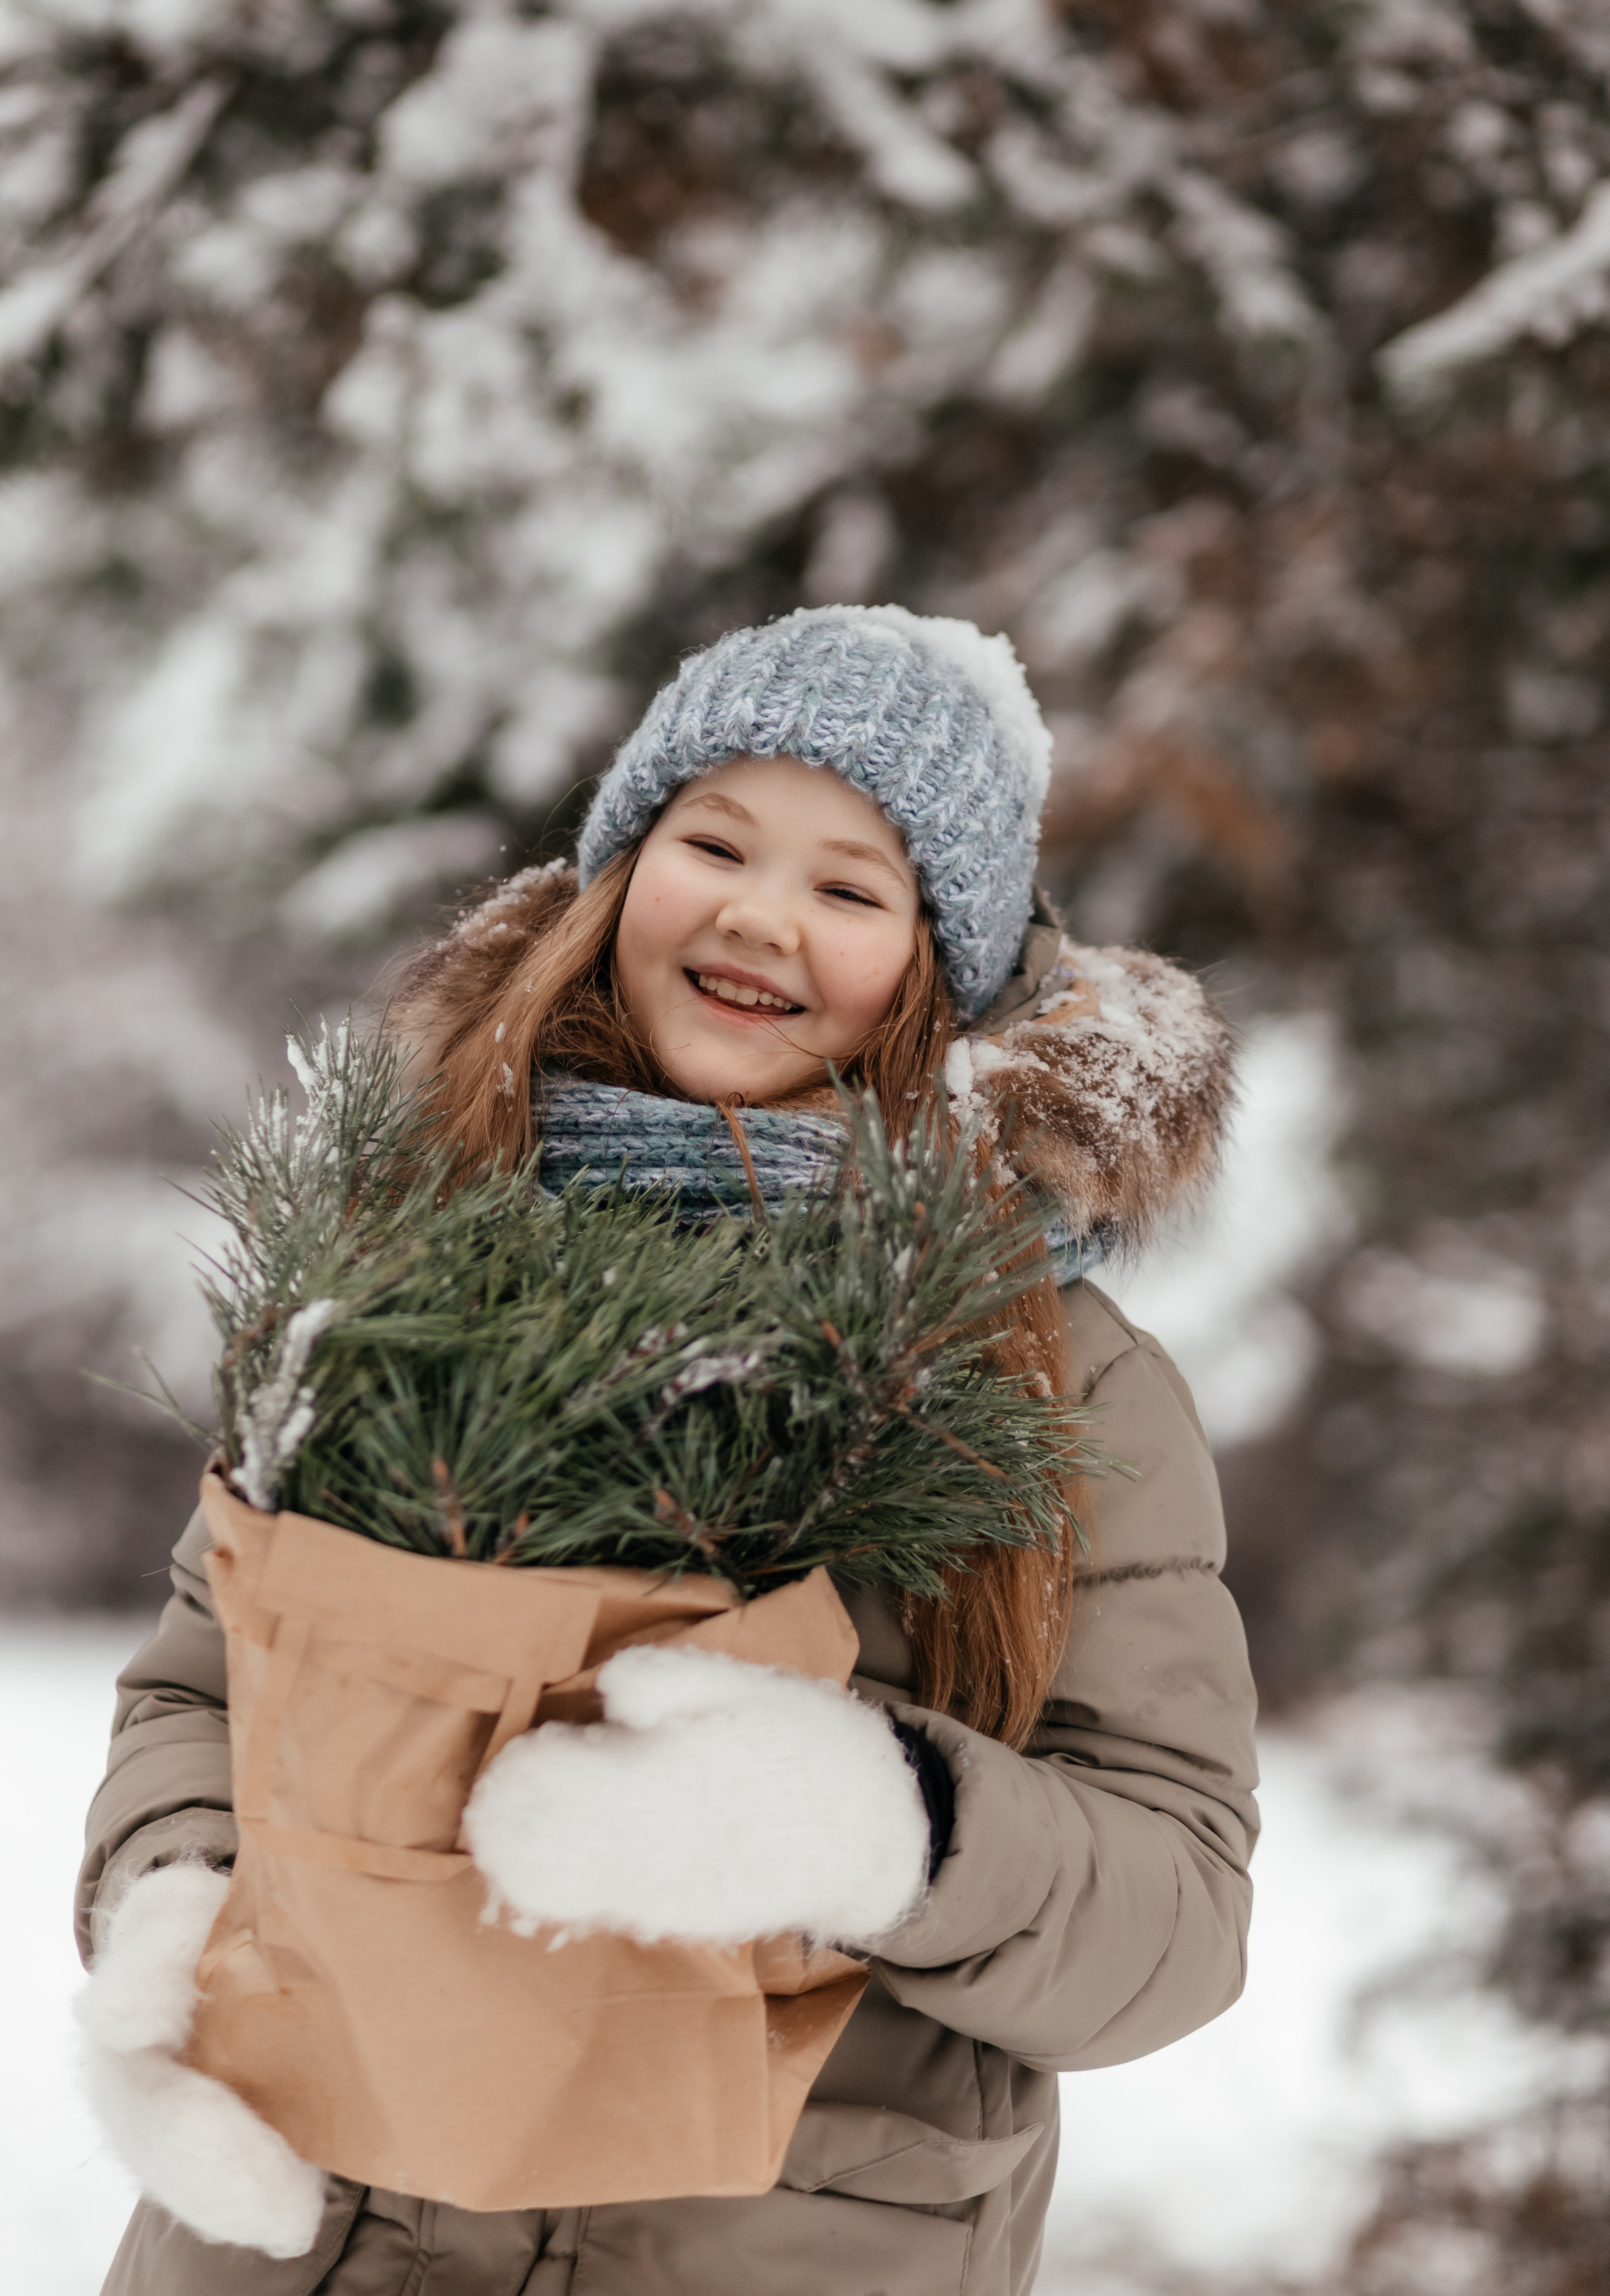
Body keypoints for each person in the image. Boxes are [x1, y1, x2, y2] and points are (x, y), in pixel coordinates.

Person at [77, 604, 1259, 2296]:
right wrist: (171, 1906)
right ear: (621, 874)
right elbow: (204, 1680)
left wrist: (888, 1831)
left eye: (850, 887)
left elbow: (1177, 1915)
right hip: (308, 2228)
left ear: (943, 960)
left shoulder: (1057, 1377)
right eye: (712, 839)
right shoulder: (415, 1254)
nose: (758, 914)